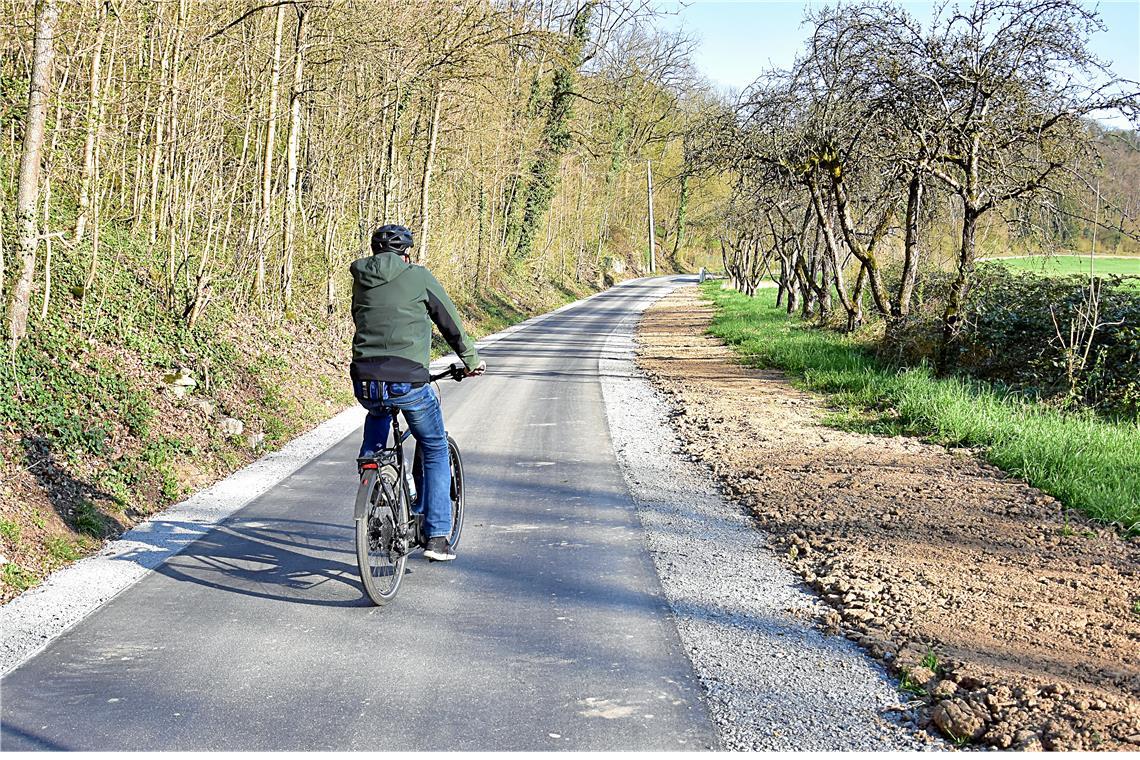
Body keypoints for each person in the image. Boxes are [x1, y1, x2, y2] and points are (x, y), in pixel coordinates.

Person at [349, 224, 485, 561]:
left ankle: (371, 467)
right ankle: (437, 536)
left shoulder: (361, 278)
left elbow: (362, 318)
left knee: (378, 410)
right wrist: (470, 360)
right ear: (406, 254)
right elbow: (448, 321)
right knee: (435, 446)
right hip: (407, 379)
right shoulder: (418, 276)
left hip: (365, 378)